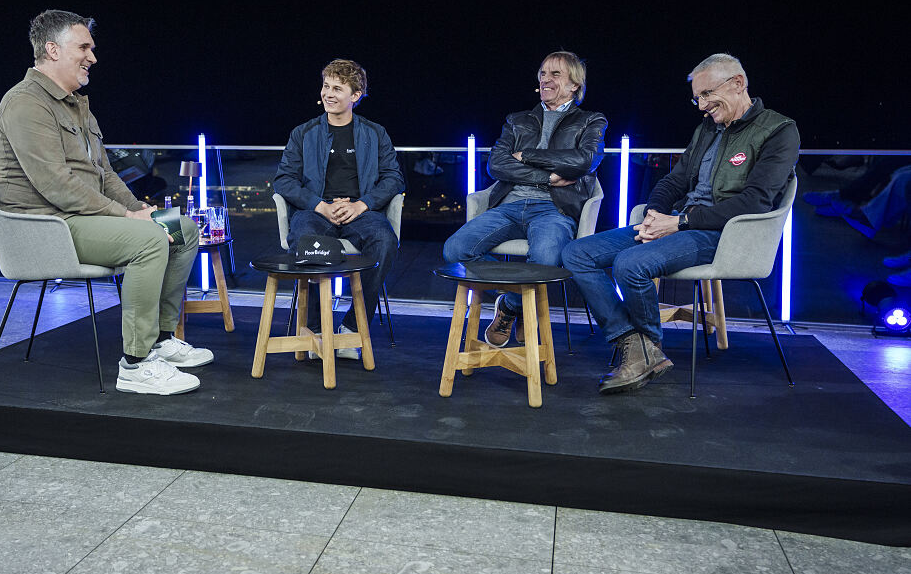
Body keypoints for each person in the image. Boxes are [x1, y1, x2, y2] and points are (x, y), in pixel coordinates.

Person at [0, 9, 208, 396]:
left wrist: (140, 210)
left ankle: (159, 339)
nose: (93, 56)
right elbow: (55, 185)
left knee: (182, 228)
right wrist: (129, 218)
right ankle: (136, 364)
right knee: (150, 240)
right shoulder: (25, 104)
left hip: (81, 217)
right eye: (84, 47)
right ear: (52, 49)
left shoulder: (76, 105)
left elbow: (106, 174)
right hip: (46, 226)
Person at [562, 53, 799, 395]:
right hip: (682, 223)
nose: (701, 106)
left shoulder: (779, 131)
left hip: (723, 234)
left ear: (738, 84)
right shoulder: (708, 129)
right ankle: (637, 345)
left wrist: (680, 222)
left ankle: (645, 349)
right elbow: (675, 181)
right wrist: (655, 215)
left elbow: (755, 202)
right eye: (697, 97)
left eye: (706, 94)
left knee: (630, 264)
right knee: (577, 253)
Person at [442, 51, 607, 348]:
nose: (545, 79)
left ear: (574, 85)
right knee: (455, 250)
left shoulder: (590, 120)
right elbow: (497, 165)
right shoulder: (517, 120)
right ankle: (515, 299)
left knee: (546, 260)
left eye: (555, 74)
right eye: (543, 73)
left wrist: (528, 155)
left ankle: (509, 308)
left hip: (554, 209)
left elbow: (583, 160)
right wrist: (546, 176)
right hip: (508, 206)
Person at [273, 59, 405, 357]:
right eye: (325, 86)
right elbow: (284, 180)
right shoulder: (303, 133)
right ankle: (318, 328)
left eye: (337, 88)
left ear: (355, 95)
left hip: (361, 212)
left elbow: (394, 177)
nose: (327, 94)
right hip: (316, 211)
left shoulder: (375, 133)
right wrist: (319, 205)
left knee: (384, 240)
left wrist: (362, 205)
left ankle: (352, 327)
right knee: (305, 236)